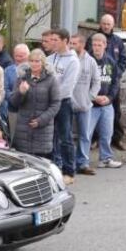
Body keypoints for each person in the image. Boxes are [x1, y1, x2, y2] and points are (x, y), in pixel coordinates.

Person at [9, 49, 63, 168]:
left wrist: (41, 120)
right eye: (32, 61)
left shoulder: (51, 79)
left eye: (37, 61)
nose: (34, 64)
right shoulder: (22, 78)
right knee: (24, 167)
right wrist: (20, 92)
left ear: (43, 62)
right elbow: (13, 102)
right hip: (24, 129)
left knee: (41, 166)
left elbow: (56, 104)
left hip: (43, 129)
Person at [87, 14, 126, 151]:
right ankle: (94, 140)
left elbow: (124, 59)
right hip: (94, 85)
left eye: (108, 24)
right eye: (104, 23)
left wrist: (117, 74)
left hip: (111, 84)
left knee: (116, 112)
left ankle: (116, 139)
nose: (106, 26)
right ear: (100, 23)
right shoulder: (92, 39)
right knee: (92, 114)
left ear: (113, 25)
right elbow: (87, 57)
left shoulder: (118, 41)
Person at [46, 28, 80, 179]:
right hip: (48, 102)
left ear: (65, 41)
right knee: (49, 136)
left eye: (55, 40)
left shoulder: (73, 61)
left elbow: (67, 87)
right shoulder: (49, 59)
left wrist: (52, 97)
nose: (52, 42)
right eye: (51, 39)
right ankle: (52, 167)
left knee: (65, 137)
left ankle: (69, 171)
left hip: (63, 103)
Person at [89, 33, 123, 169]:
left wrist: (109, 98)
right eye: (94, 44)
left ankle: (106, 159)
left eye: (99, 45)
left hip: (107, 104)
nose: (96, 48)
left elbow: (115, 82)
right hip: (91, 105)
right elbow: (81, 83)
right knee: (87, 134)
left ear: (105, 45)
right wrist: (93, 97)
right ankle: (82, 161)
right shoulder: (87, 61)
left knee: (107, 133)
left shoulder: (110, 61)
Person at [70, 34, 100, 175]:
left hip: (85, 105)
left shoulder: (91, 62)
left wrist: (90, 97)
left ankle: (83, 163)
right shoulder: (69, 59)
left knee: (85, 135)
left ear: (81, 44)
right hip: (69, 105)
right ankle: (69, 163)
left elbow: (96, 82)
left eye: (74, 43)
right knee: (67, 135)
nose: (71, 45)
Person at [3, 44, 29, 135]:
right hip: (13, 110)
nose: (18, 58)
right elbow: (5, 90)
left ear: (28, 55)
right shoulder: (8, 70)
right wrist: (14, 99)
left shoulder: (33, 69)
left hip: (29, 110)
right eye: (16, 56)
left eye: (21, 56)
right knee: (14, 136)